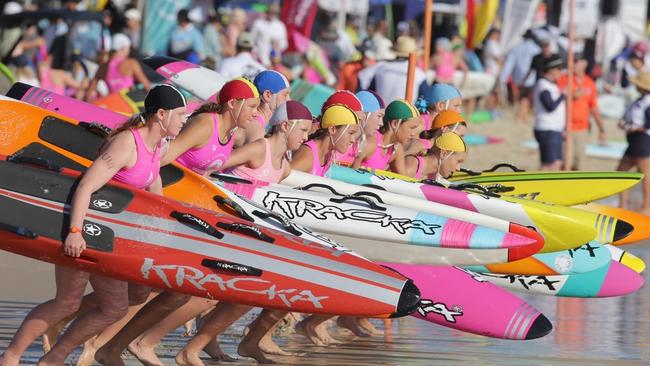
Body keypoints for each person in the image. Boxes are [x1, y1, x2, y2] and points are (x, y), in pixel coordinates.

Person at [0, 85, 188, 366]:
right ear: (161, 114)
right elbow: (87, 186)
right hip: (82, 228)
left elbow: (154, 190)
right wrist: (75, 232)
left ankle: (54, 358)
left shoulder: (158, 145)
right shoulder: (127, 143)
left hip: (108, 239)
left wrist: (165, 228)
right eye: (181, 114)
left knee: (114, 307)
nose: (185, 120)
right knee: (66, 303)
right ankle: (10, 357)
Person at [557, 53, 606, 170]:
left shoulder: (590, 83)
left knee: (579, 162)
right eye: (573, 61)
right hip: (565, 127)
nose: (573, 64)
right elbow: (554, 99)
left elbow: (593, 107)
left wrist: (601, 128)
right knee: (565, 160)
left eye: (576, 61)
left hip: (582, 128)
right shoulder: (564, 79)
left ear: (584, 63)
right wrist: (570, 96)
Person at [352, 99, 420, 174]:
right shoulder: (371, 144)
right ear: (395, 124)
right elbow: (351, 174)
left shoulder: (396, 150)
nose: (413, 133)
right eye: (411, 128)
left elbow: (404, 180)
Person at [291, 104, 360, 176]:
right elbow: (281, 181)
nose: (353, 140)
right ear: (332, 129)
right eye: (351, 133)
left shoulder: (328, 155)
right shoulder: (307, 156)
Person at [617, 71, 650, 215]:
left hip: (641, 139)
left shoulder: (647, 102)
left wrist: (633, 128)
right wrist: (625, 124)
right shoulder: (639, 101)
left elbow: (647, 124)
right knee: (621, 173)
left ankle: (646, 205)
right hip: (635, 140)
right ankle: (623, 204)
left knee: (644, 174)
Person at [86, 33, 152, 100]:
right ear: (123, 48)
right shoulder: (131, 63)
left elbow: (90, 91)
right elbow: (147, 86)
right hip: (128, 104)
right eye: (128, 48)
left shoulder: (103, 66)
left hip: (112, 104)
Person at [370, 36, 426, 104]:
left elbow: (371, 95)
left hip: (382, 113)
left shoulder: (380, 70)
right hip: (408, 114)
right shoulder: (419, 74)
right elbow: (424, 101)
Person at [533, 55, 566, 171]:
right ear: (551, 70)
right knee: (548, 165)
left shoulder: (552, 85)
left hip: (555, 128)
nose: (560, 72)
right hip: (546, 128)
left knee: (557, 163)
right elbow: (550, 106)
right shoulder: (542, 84)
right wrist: (563, 96)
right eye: (558, 69)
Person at [499, 30, 540, 123]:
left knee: (522, 96)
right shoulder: (536, 49)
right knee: (525, 97)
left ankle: (522, 115)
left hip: (518, 77)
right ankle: (520, 116)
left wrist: (503, 78)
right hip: (531, 77)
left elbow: (509, 64)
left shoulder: (515, 48)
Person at [336, 90, 385, 166]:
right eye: (379, 116)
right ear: (364, 114)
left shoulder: (360, 144)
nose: (381, 123)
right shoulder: (337, 137)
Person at [248, 70, 292, 142]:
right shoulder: (256, 129)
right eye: (285, 95)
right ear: (268, 95)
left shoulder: (261, 124)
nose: (289, 100)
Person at [250, 3, 287, 67]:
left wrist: (277, 45)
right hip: (259, 60)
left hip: (274, 61)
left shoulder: (280, 26)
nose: (271, 14)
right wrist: (256, 52)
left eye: (274, 13)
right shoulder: (258, 23)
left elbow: (284, 44)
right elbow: (251, 40)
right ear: (266, 12)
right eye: (269, 12)